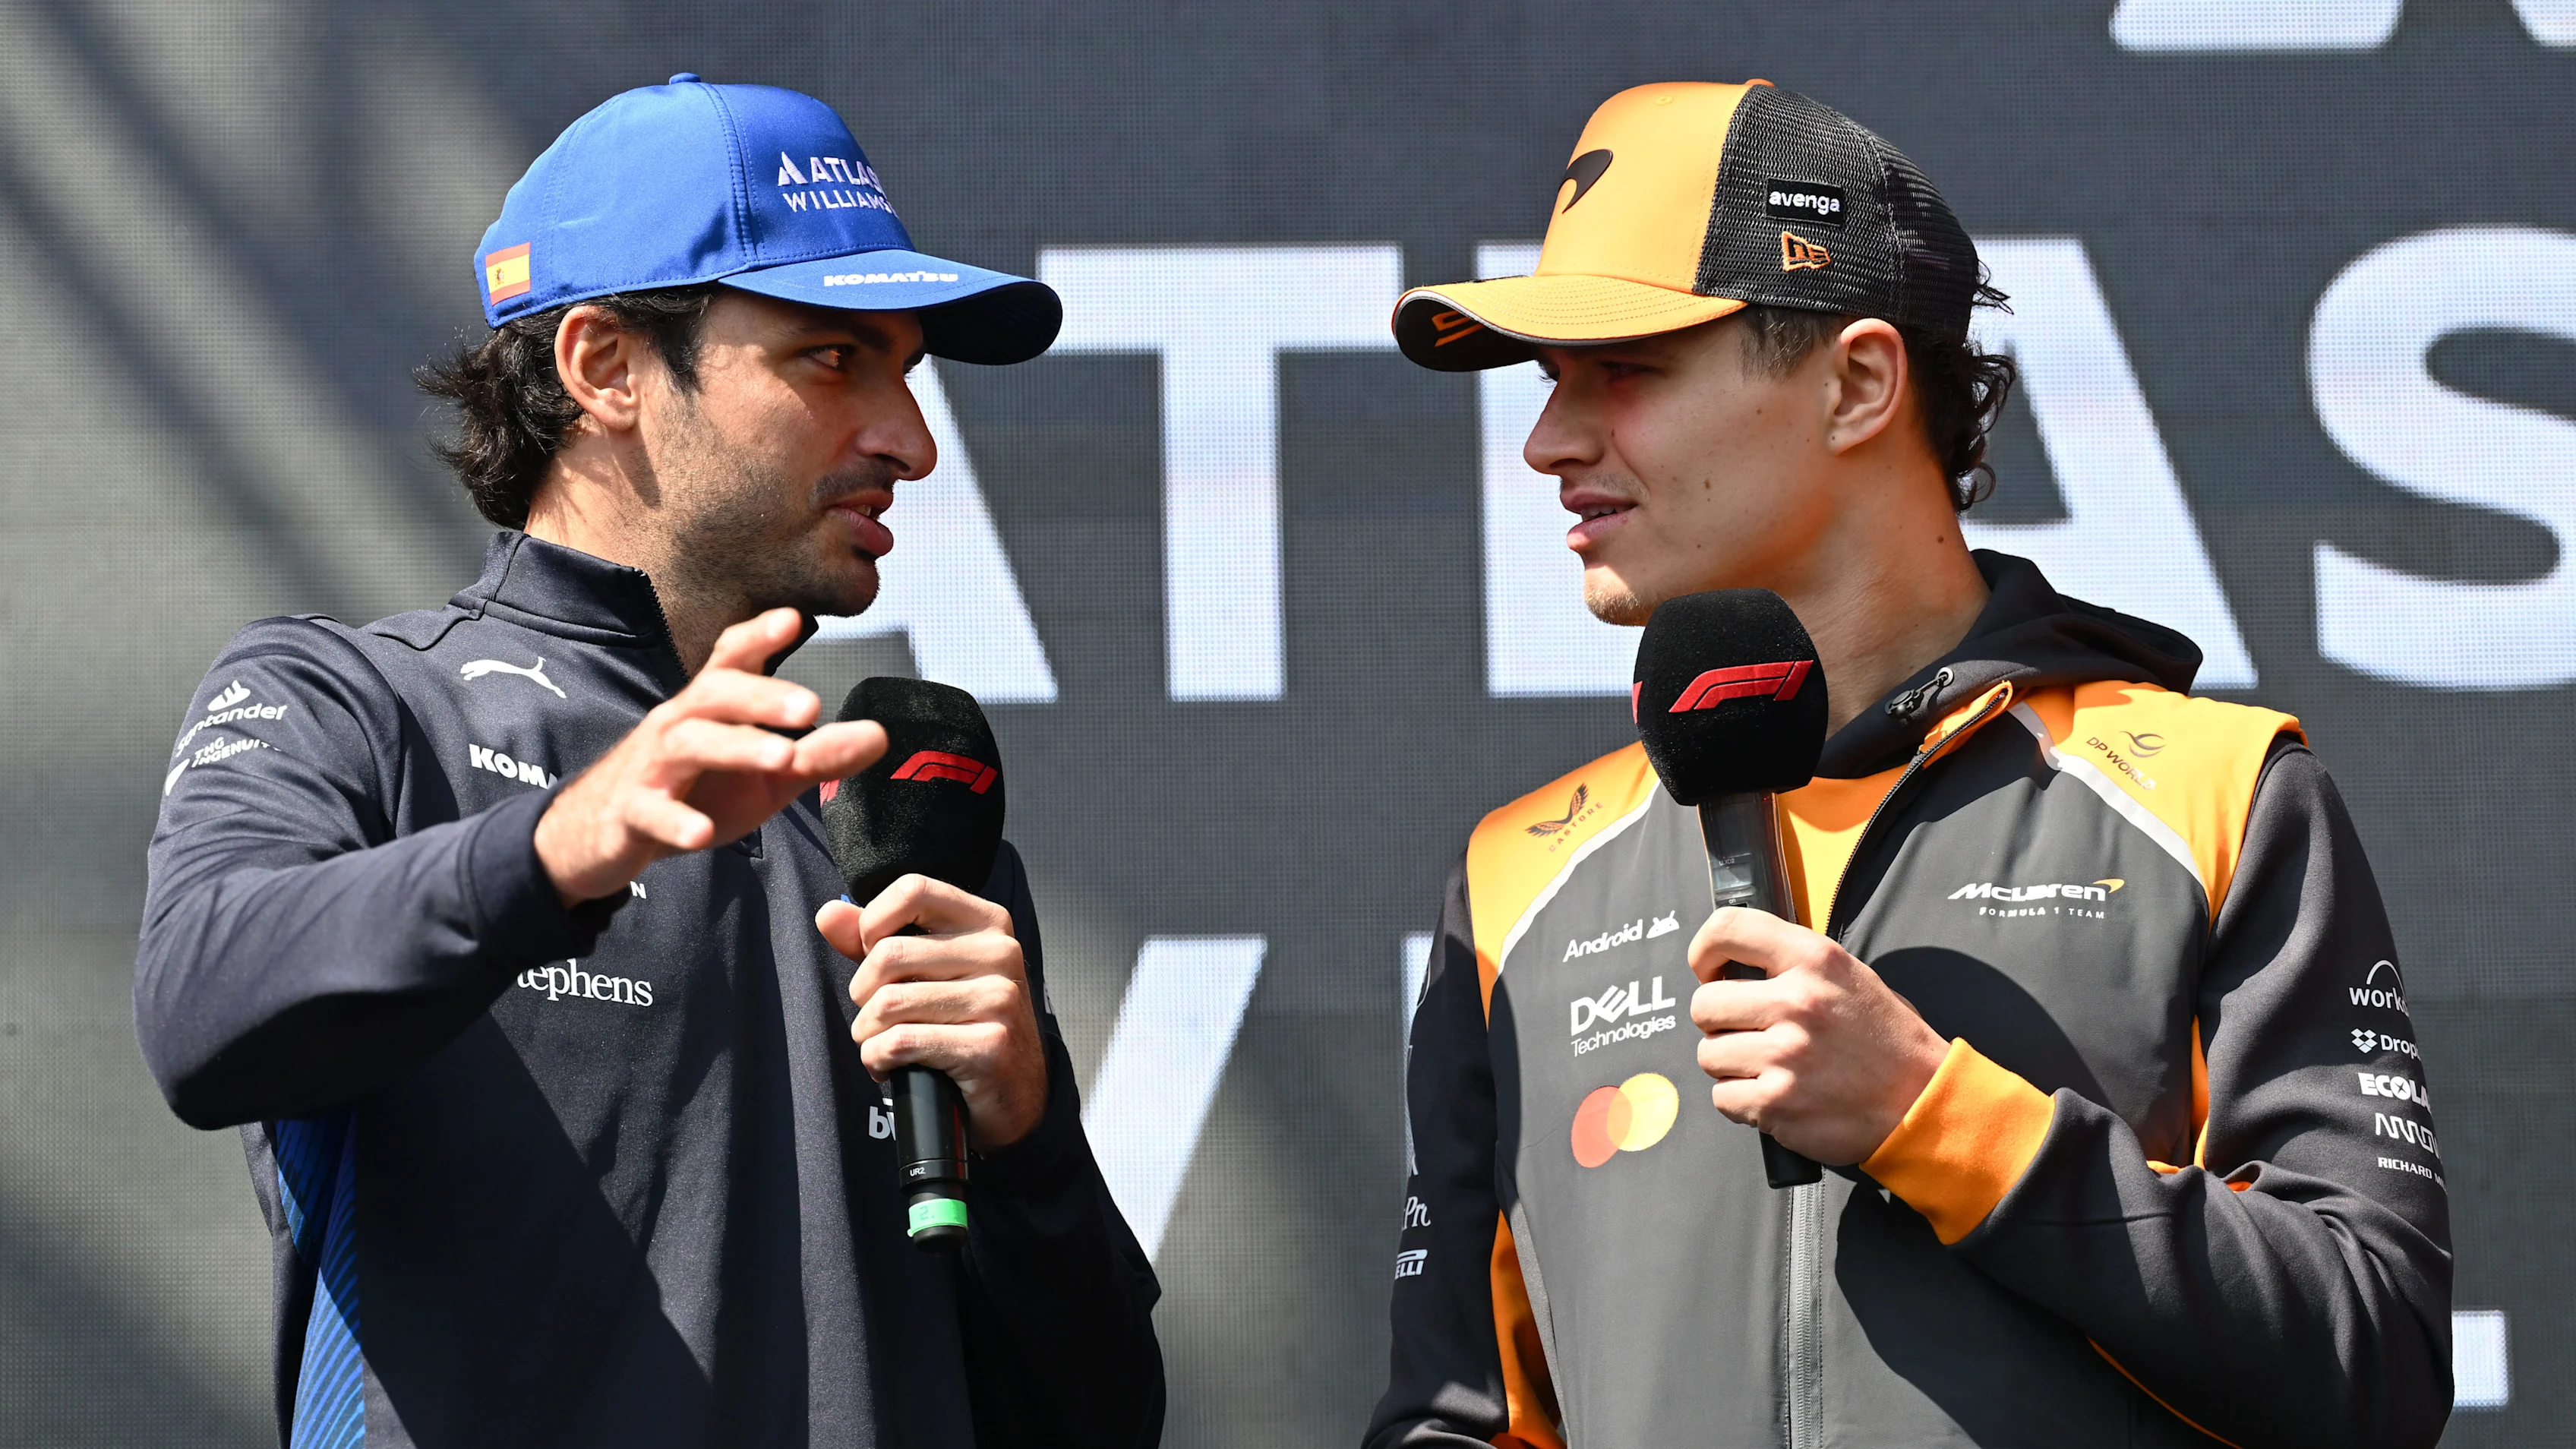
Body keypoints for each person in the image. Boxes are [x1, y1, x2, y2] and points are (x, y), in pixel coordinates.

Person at [1368, 80, 2451, 1447]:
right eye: (1550, 384)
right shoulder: (1519, 875)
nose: (1548, 442)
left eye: (1626, 371)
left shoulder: (2214, 794)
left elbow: (2375, 1368)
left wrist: (1931, 1115)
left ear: (1860, 383)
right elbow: (1460, 1423)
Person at [136, 75, 1161, 1448]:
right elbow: (202, 1005)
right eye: (831, 359)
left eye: (905, 375)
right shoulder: (355, 704)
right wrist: (562, 844)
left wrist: (1031, 1149)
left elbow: (1093, 1423)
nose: (912, 443)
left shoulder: (888, 832)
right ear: (606, 367)